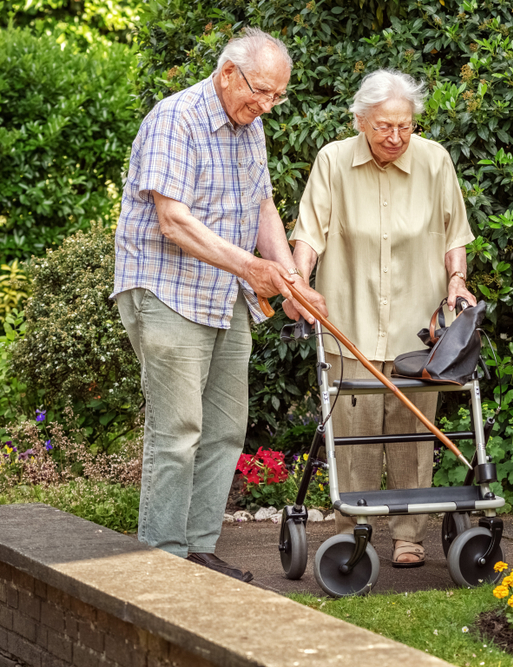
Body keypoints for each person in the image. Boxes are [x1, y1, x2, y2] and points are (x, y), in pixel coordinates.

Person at [112, 28, 327, 582]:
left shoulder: (249, 127)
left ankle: (199, 550)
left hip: (221, 292)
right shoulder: (175, 118)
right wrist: (254, 270)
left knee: (227, 427)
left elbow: (262, 208)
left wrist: (292, 279)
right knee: (178, 427)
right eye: (260, 91)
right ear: (228, 73)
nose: (266, 106)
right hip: (165, 287)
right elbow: (173, 221)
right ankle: (162, 558)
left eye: (278, 97)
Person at [286, 69, 477, 568]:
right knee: (353, 438)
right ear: (360, 121)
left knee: (415, 436)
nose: (395, 137)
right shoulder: (332, 161)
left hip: (420, 332)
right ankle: (354, 531)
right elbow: (310, 233)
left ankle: (409, 536)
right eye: (383, 127)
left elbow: (455, 233)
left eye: (405, 126)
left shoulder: (435, 161)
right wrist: (300, 282)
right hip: (349, 324)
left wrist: (457, 280)